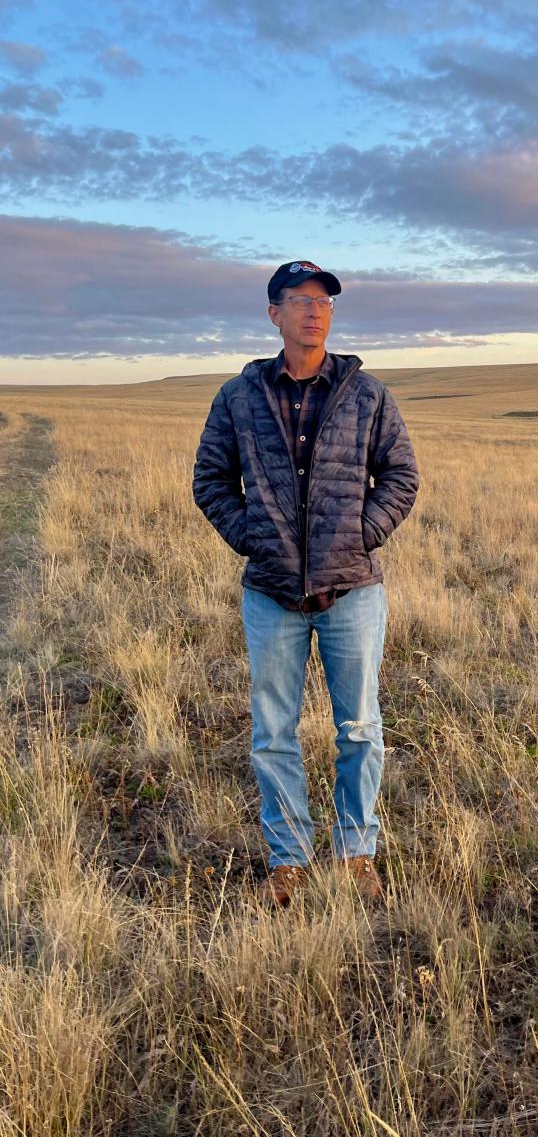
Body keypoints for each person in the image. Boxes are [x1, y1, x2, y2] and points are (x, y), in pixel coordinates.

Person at [192, 261, 419, 909]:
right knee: (273, 732)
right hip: (270, 595)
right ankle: (288, 861)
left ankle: (355, 854)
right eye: (300, 300)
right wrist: (253, 538)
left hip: (351, 592)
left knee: (359, 730)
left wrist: (361, 533)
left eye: (323, 301)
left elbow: (400, 474)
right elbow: (210, 480)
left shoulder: (366, 393)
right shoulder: (239, 398)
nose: (314, 311)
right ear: (274, 314)